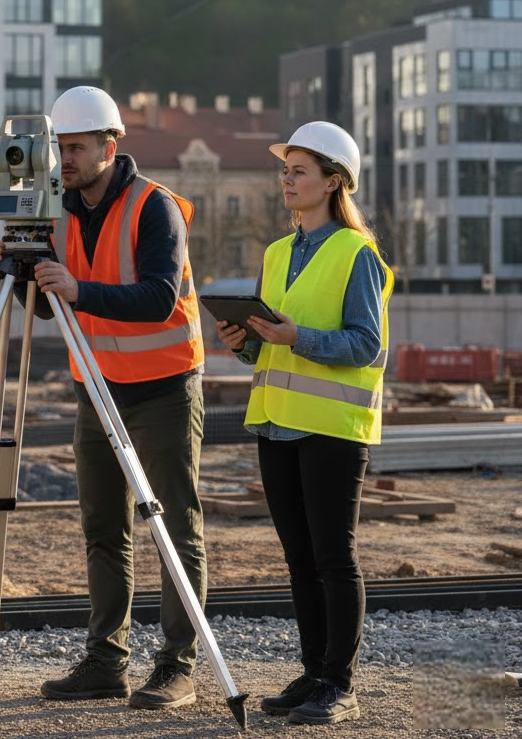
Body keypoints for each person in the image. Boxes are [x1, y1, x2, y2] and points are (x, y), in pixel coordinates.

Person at [0, 85, 207, 711]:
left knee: (172, 527)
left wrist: (78, 289)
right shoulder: (57, 211)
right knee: (102, 527)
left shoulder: (153, 206)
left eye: (78, 147)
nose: (67, 158)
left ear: (110, 146)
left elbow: (158, 297)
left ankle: (178, 666)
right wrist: (23, 271)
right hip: (96, 386)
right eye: (60, 148)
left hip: (164, 388)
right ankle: (107, 661)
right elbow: (50, 310)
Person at [214, 121, 393, 726]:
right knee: (299, 558)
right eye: (284, 170)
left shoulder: (358, 253)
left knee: (334, 558)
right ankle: (313, 670)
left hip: (334, 427)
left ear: (334, 181)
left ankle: (339, 683)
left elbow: (366, 345)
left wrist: (297, 337)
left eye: (299, 171)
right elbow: (270, 350)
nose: (286, 180)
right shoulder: (276, 253)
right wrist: (245, 341)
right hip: (276, 422)